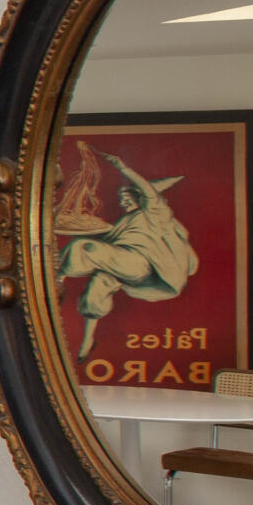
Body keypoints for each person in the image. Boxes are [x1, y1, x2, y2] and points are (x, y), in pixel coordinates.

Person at [55, 151, 197, 357]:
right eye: (122, 199)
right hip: (125, 267)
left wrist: (124, 169)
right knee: (97, 286)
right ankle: (88, 342)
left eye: (127, 198)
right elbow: (115, 241)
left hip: (140, 265)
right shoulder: (127, 221)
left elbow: (149, 193)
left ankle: (56, 278)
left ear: (141, 199)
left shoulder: (155, 214)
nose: (123, 203)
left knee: (85, 248)